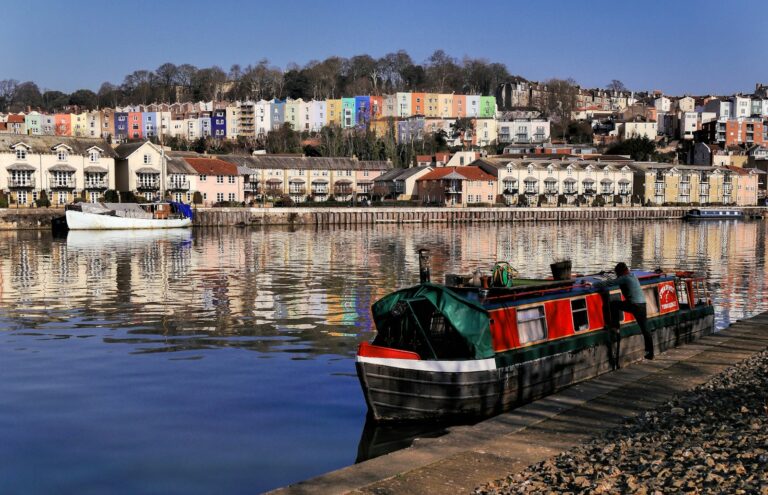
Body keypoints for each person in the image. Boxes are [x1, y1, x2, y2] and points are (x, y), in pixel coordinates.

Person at [594, 262, 654, 360]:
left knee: (614, 304)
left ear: (620, 272)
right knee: (645, 329)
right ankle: (650, 353)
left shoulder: (623, 278)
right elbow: (617, 280)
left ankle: (615, 326)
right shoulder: (633, 275)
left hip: (633, 304)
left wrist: (593, 285)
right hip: (642, 304)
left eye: (617, 273)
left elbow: (609, 283)